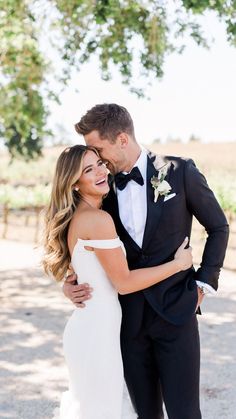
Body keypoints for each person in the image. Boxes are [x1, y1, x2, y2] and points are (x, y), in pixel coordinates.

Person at [64, 104, 229, 419]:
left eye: (98, 150)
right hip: (126, 322)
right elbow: (86, 244)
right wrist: (69, 283)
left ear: (122, 140)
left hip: (176, 314)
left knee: (185, 413)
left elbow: (219, 227)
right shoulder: (101, 187)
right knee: (146, 414)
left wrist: (203, 285)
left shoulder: (180, 172)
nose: (97, 161)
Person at [43, 145, 193, 419]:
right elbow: (123, 282)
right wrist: (178, 265)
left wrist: (68, 284)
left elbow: (81, 270)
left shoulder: (81, 216)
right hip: (97, 329)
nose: (101, 171)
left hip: (92, 325)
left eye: (99, 163)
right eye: (88, 170)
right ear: (74, 183)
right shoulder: (97, 220)